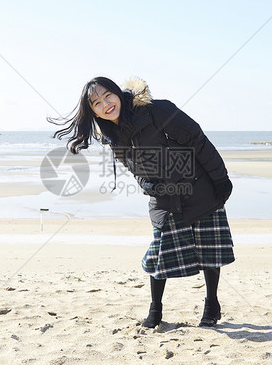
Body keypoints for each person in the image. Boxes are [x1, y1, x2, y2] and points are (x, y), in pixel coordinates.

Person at [50, 77, 234, 328]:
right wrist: (149, 186)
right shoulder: (111, 136)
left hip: (198, 185)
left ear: (117, 93)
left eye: (108, 96)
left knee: (209, 250)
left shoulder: (157, 110)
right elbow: (134, 169)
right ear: (92, 111)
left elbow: (198, 140)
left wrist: (221, 179)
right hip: (163, 198)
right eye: (96, 103)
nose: (105, 104)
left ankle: (211, 305)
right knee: (159, 254)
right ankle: (155, 309)